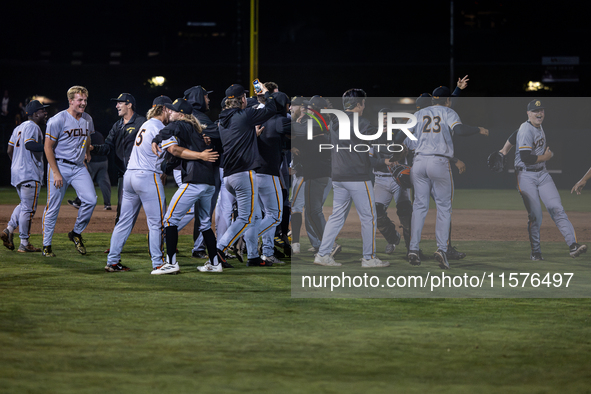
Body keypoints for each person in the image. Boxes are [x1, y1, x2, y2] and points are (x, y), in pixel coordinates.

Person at [406, 86, 488, 269]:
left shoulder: (419, 114)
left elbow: (399, 136)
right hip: (439, 163)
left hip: (418, 163)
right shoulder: (448, 111)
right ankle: (442, 249)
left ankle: (413, 249)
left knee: (419, 207)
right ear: (447, 101)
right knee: (444, 208)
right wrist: (478, 129)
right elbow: (459, 130)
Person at [314, 88, 388, 268]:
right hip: (357, 176)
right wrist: (384, 129)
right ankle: (369, 258)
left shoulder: (335, 122)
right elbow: (376, 139)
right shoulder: (361, 122)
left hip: (338, 176)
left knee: (336, 217)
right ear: (358, 104)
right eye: (363, 103)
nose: (364, 106)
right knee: (369, 217)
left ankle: (323, 254)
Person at [150, 98, 220, 274]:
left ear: (181, 114)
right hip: (208, 182)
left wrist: (156, 139)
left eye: (173, 110)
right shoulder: (195, 129)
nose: (170, 112)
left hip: (195, 181)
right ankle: (214, 263)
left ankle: (171, 263)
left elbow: (169, 130)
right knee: (204, 224)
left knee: (169, 220)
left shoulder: (182, 124)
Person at [104, 96, 173, 272]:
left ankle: (112, 261)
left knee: (124, 222)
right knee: (156, 223)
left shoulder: (146, 124)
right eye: (170, 109)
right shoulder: (159, 127)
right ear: (164, 109)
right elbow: (173, 150)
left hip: (129, 176)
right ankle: (158, 263)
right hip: (147, 177)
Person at [512, 99, 586, 259]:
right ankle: (536, 253)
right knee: (536, 215)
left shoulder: (535, 125)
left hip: (542, 174)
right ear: (528, 113)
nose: (539, 113)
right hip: (526, 175)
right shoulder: (526, 129)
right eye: (535, 111)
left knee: (556, 208)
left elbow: (513, 135)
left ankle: (573, 246)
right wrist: (545, 156)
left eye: (541, 110)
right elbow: (525, 157)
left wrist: (504, 150)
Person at [216, 83, 279, 267]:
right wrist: (266, 94)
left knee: (255, 216)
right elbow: (271, 109)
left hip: (228, 176)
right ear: (242, 99)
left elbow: (240, 136)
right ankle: (219, 250)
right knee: (246, 218)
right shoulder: (244, 116)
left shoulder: (223, 119)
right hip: (243, 173)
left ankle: (253, 257)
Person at [41, 86, 97, 257]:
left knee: (91, 200)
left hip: (78, 167)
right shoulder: (57, 120)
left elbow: (87, 136)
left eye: (85, 100)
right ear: (71, 101)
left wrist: (86, 152)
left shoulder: (87, 118)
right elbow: (48, 148)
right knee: (53, 207)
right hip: (60, 166)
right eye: (80, 100)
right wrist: (56, 172)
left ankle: (76, 233)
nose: (83, 103)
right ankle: (46, 245)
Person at [82, 93, 147, 226]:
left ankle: (160, 244)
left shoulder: (142, 122)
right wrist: (93, 149)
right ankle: (116, 247)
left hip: (143, 174)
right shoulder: (117, 126)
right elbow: (107, 147)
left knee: (154, 212)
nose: (116, 106)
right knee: (122, 212)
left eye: (120, 103)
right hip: (124, 175)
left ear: (129, 105)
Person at [1, 100, 48, 252]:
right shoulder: (33, 126)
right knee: (29, 209)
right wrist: (49, 146)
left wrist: (16, 163)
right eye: (42, 111)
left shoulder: (18, 128)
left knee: (24, 205)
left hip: (17, 172)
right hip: (29, 172)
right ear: (35, 114)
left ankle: (8, 229)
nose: (45, 113)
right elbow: (30, 145)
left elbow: (9, 150)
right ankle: (24, 243)